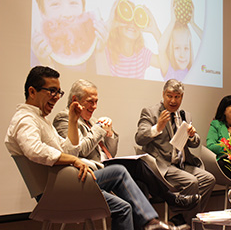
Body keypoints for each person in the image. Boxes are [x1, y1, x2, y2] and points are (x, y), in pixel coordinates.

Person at [4, 66, 188, 230]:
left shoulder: (42, 120)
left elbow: (67, 150)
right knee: (119, 172)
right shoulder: (25, 119)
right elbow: (36, 151)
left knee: (124, 206)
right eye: (52, 91)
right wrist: (75, 159)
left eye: (58, 92)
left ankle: (152, 222)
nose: (56, 97)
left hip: (69, 182)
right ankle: (153, 222)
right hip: (57, 190)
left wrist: (75, 122)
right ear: (32, 91)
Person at [53, 79, 200, 210]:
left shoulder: (90, 120)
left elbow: (111, 152)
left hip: (104, 166)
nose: (95, 106)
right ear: (75, 99)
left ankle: (146, 224)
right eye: (90, 101)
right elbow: (76, 152)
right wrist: (98, 130)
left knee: (141, 184)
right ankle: (171, 198)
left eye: (96, 101)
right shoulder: (64, 119)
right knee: (139, 165)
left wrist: (110, 135)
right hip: (88, 173)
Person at [135, 79, 216, 225]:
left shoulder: (185, 115)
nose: (173, 100)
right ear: (163, 94)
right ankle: (188, 222)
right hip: (162, 166)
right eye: (169, 96)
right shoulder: (151, 112)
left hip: (183, 165)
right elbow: (139, 138)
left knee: (209, 179)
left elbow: (195, 142)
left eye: (177, 96)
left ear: (182, 97)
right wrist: (157, 127)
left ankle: (182, 219)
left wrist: (192, 135)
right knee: (192, 182)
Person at [31, 0, 108, 72]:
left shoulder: (92, 45)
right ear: (42, 12)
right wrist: (45, 62)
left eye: (73, 3)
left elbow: (106, 83)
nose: (66, 13)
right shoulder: (38, 48)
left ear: (83, 8)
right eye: (55, 4)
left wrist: (100, 52)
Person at [101, 0, 161, 78]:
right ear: (117, 25)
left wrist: (155, 30)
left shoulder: (142, 54)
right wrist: (109, 24)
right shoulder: (107, 51)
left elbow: (167, 64)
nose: (132, 24)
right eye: (127, 19)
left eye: (136, 20)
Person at [158, 1, 202, 81]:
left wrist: (193, 24)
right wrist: (172, 22)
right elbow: (161, 49)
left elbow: (208, 45)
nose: (182, 55)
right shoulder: (169, 70)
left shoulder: (193, 70)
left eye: (186, 48)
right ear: (171, 48)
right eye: (177, 48)